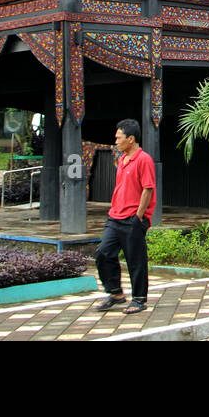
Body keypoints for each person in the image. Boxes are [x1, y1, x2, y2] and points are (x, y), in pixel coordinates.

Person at [94, 119, 156, 314]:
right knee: (103, 253)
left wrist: (139, 216)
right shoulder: (122, 159)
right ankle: (115, 293)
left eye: (118, 138)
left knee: (135, 260)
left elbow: (148, 189)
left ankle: (139, 299)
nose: (116, 141)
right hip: (115, 217)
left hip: (133, 219)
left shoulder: (144, 159)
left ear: (130, 139)